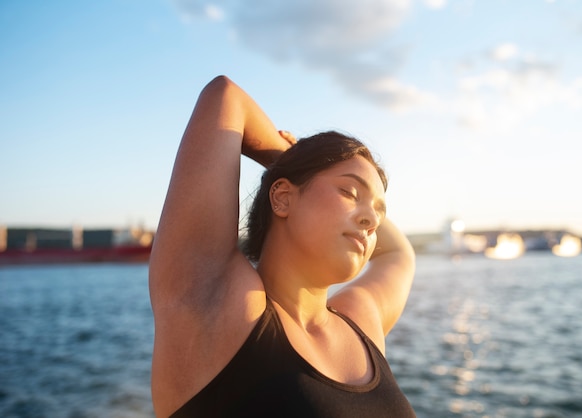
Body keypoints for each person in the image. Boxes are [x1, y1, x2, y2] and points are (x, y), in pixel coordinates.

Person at [149, 75, 416, 417]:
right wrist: (289, 156)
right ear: (283, 197)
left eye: (380, 212)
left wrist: (362, 201)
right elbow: (225, 97)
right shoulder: (217, 308)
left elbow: (399, 254)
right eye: (349, 192)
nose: (372, 220)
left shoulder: (360, 322)